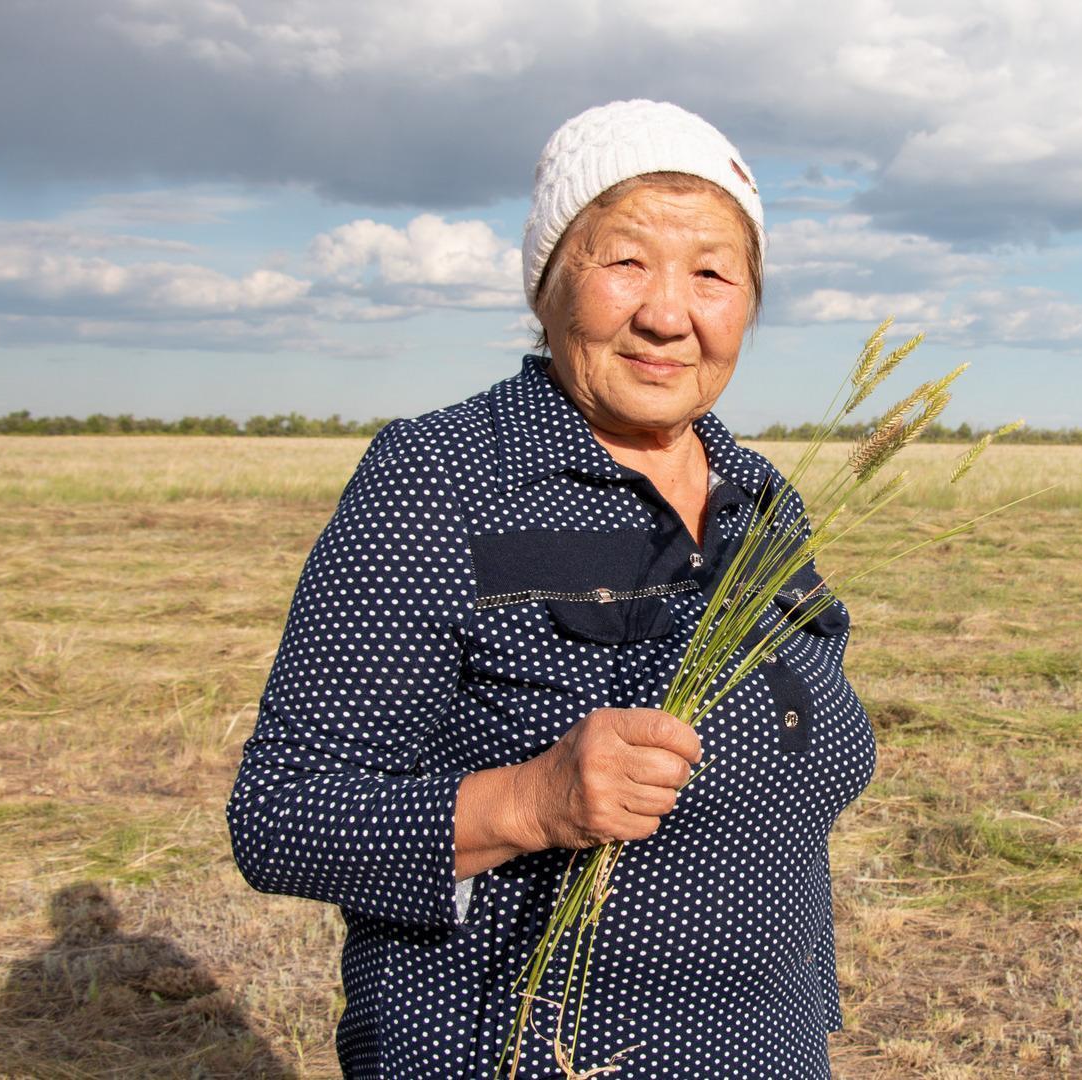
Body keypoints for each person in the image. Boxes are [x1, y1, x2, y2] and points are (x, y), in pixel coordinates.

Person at [225, 99, 877, 1079]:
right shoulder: (443, 478)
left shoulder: (762, 505)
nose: (668, 312)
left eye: (712, 272)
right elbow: (282, 816)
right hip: (513, 1053)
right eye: (624, 262)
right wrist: (530, 804)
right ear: (547, 285)